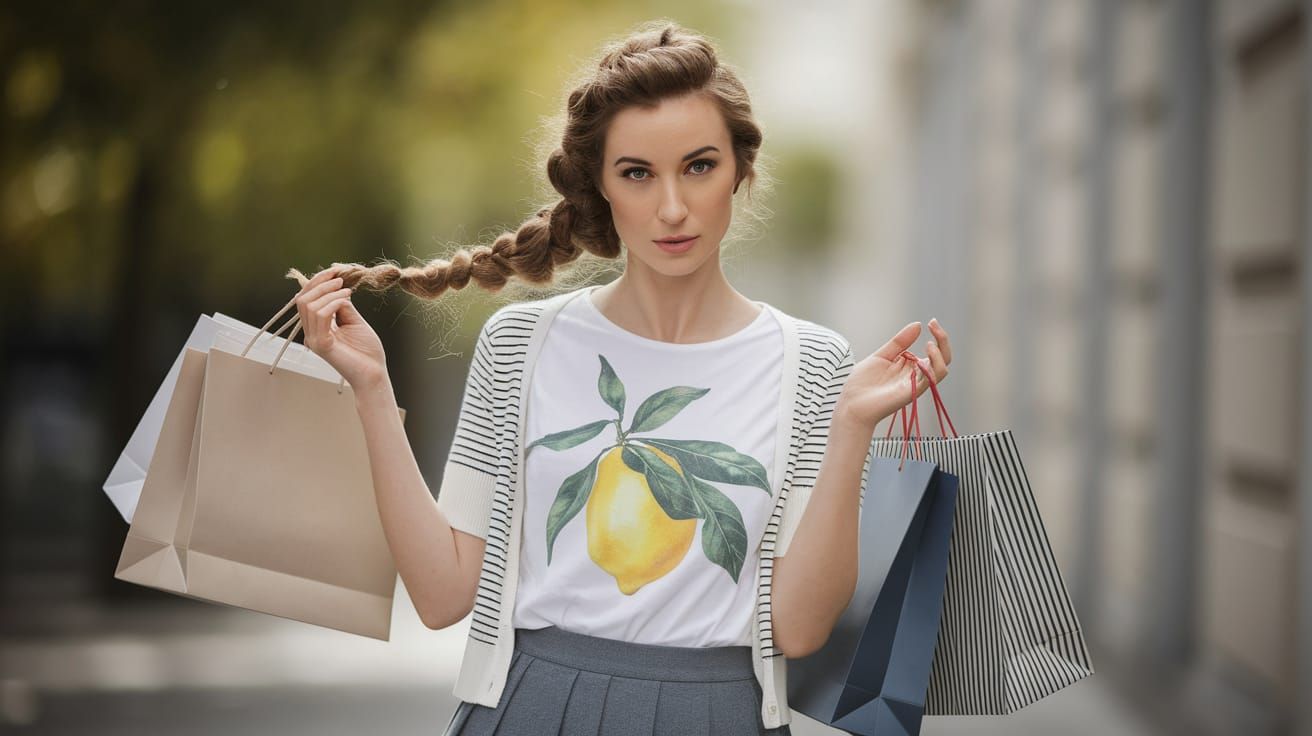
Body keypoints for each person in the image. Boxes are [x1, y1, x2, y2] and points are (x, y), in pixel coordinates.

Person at [287, 19, 952, 736]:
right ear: (600, 187)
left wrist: (853, 426)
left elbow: (799, 629)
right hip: (534, 708)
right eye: (637, 173)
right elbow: (444, 593)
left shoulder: (813, 365)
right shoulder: (521, 346)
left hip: (722, 715)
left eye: (699, 166)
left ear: (741, 170)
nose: (672, 208)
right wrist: (373, 393)